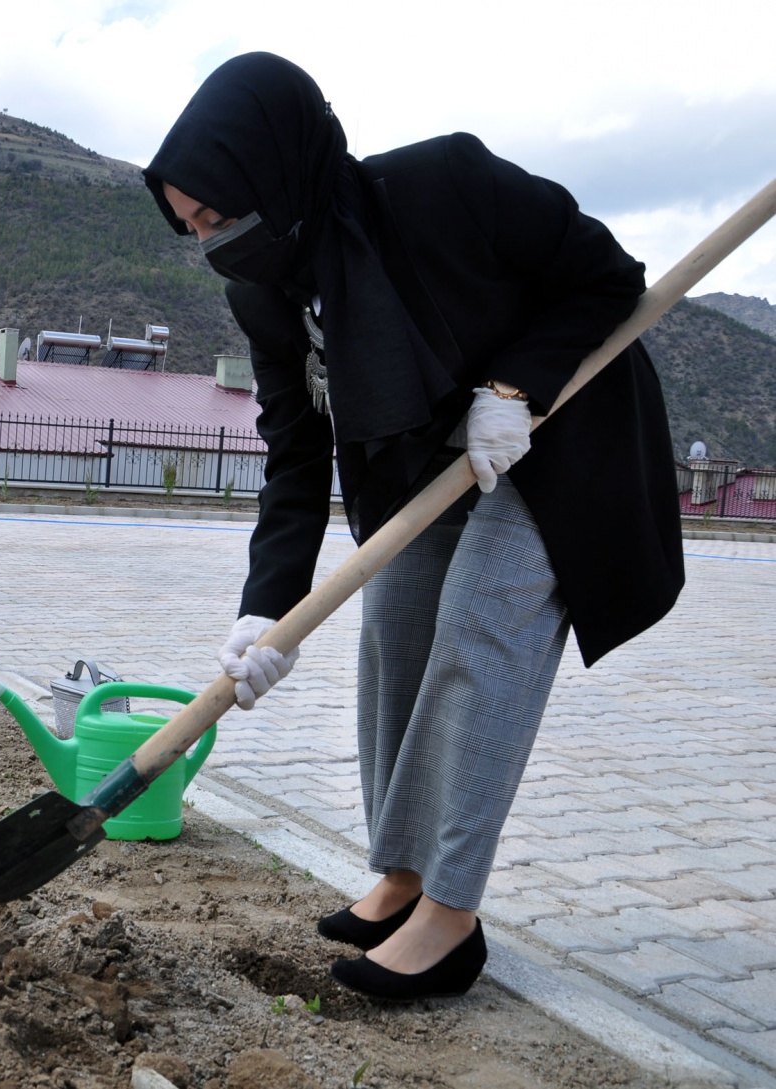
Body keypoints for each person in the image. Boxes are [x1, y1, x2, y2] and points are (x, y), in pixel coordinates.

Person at [144, 53, 684, 1001]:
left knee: (482, 615)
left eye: (218, 214)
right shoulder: (262, 289)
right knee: (392, 612)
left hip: (562, 430)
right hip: (431, 457)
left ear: (271, 170)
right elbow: (296, 450)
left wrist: (513, 388)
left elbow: (609, 280)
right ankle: (400, 871)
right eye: (191, 228)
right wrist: (261, 613)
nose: (212, 241)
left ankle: (451, 914)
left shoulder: (443, 187)